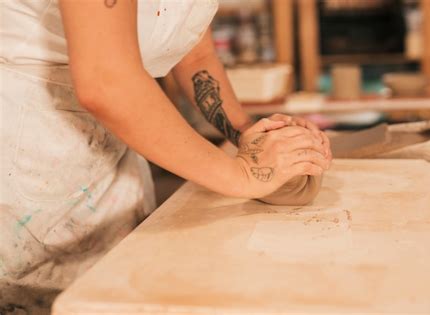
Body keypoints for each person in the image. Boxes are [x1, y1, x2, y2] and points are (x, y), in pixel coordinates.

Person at [0, 0, 331, 312]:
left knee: (116, 290)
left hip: (117, 146)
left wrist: (248, 136)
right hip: (29, 156)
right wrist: (244, 175)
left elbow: (194, 54)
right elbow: (105, 81)